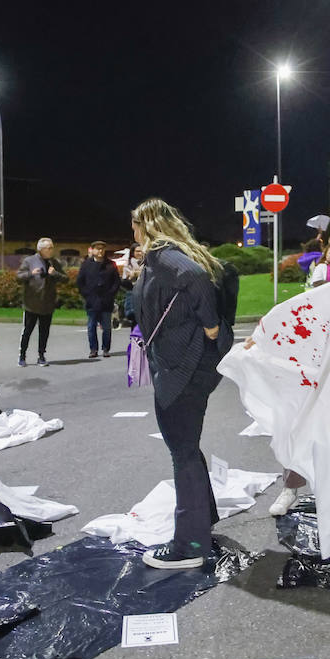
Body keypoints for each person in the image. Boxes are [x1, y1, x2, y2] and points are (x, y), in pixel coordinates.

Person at [129, 199, 232, 568]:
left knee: (182, 450)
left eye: (135, 226)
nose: (133, 233)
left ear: (146, 225)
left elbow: (194, 278)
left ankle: (190, 545)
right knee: (186, 446)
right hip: (188, 363)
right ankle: (200, 524)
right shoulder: (165, 255)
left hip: (183, 367)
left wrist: (211, 325)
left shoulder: (163, 254)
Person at [16, 237, 65, 367]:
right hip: (31, 303)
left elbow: (65, 279)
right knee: (27, 331)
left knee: (44, 332)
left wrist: (55, 274)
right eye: (49, 248)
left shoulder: (54, 262)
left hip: (47, 304)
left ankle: (41, 355)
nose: (51, 250)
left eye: (52, 247)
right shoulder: (29, 261)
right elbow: (18, 277)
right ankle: (22, 356)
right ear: (41, 249)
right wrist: (31, 274)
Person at [77, 240, 121, 359]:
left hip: (106, 301)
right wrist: (86, 295)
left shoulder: (111, 265)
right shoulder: (86, 264)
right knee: (91, 327)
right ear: (93, 250)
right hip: (92, 301)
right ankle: (93, 349)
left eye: (102, 248)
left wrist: (111, 294)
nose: (100, 251)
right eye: (97, 248)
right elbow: (80, 282)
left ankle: (106, 349)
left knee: (107, 327)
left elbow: (116, 282)